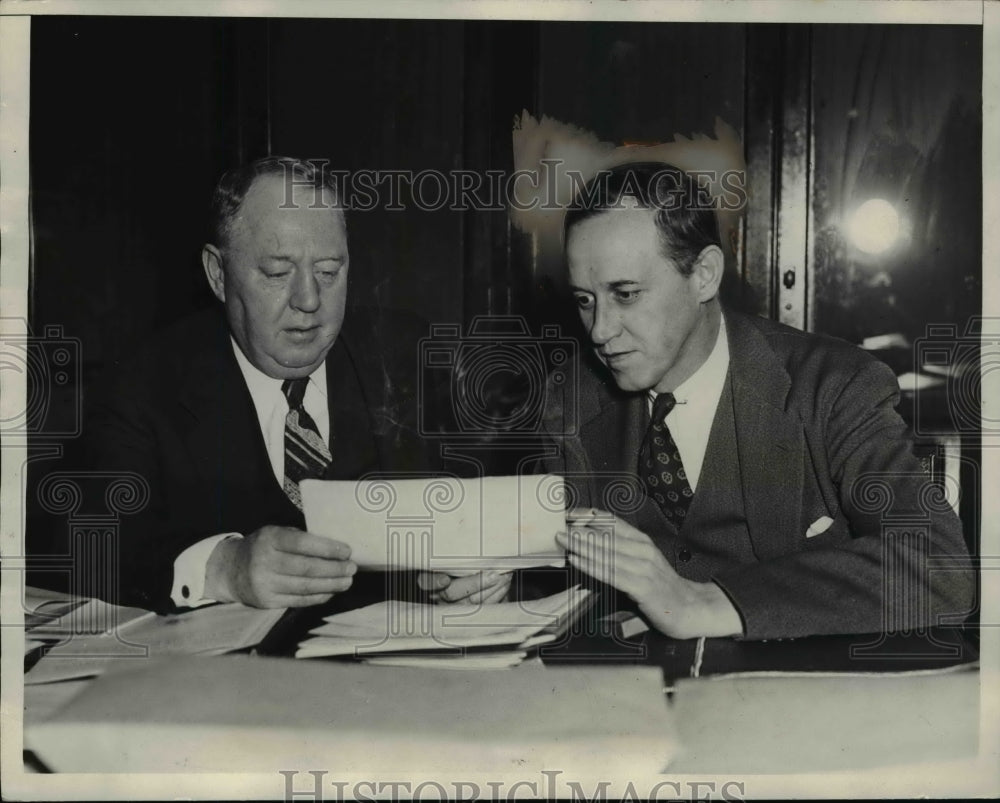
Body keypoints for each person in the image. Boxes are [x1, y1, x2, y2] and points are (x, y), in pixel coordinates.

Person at [544, 161, 974, 640]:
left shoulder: (834, 387)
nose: (600, 330)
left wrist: (706, 601)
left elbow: (937, 564)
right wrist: (488, 579)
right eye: (585, 300)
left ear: (704, 275)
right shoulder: (571, 399)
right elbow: (553, 568)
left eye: (625, 294)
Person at [69, 156, 508, 612]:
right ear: (218, 274)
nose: (309, 300)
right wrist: (223, 568)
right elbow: (90, 551)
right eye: (278, 273)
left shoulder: (407, 356)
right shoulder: (144, 385)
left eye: (329, 272)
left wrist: (479, 571)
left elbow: (485, 509)